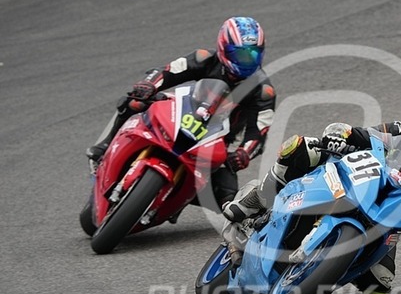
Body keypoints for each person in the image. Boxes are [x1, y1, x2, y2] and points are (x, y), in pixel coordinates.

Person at [222, 99, 401, 294]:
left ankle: (322, 273)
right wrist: (339, 136)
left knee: (380, 284)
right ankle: (256, 200)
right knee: (303, 147)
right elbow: (356, 134)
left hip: (388, 220)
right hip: (357, 182)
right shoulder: (400, 132)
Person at [86, 16, 276, 207]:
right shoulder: (204, 58)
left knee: (228, 196)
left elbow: (259, 132)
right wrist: (148, 85)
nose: (247, 60)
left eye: (253, 54)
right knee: (135, 103)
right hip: (180, 115)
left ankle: (175, 200)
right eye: (240, 54)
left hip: (214, 141)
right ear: (223, 48)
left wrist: (244, 153)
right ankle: (104, 146)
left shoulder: (263, 91)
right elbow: (168, 71)